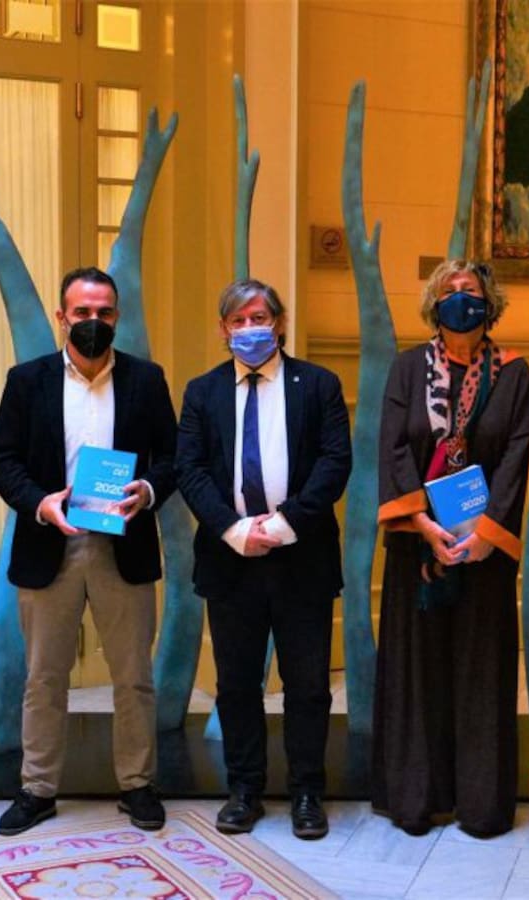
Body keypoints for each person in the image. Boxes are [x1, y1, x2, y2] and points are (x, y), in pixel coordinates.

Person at [0, 266, 177, 836]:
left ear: (117, 316)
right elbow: (2, 461)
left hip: (124, 546)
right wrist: (39, 503)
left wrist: (147, 491)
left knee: (134, 677)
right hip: (52, 545)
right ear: (61, 317)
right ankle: (37, 788)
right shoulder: (28, 381)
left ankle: (137, 784)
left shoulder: (146, 379)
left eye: (104, 312)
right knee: (44, 678)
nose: (94, 321)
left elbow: (172, 458)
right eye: (82, 312)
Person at [176, 278, 351, 840]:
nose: (250, 329)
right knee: (237, 685)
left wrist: (281, 525)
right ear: (223, 329)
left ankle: (307, 793)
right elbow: (189, 470)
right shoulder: (202, 392)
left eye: (260, 318)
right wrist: (233, 529)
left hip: (302, 557)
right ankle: (244, 790)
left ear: (280, 323)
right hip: (230, 561)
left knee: (308, 686)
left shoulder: (318, 385)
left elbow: (334, 463)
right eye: (239, 321)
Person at [372, 259, 529, 837]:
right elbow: (392, 446)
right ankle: (416, 798)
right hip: (418, 548)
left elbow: (516, 454)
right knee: (418, 671)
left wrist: (485, 533)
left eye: (470, 290)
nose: (460, 298)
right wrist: (421, 523)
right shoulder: (407, 368)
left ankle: (481, 804)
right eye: (449, 290)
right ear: (432, 304)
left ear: (490, 303)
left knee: (479, 670)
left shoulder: (514, 372)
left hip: (482, 550)